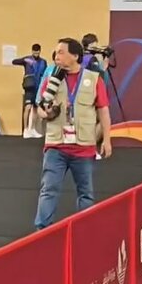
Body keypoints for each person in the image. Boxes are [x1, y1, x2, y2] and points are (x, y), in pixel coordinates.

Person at [34, 37, 112, 230]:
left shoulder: (94, 79)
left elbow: (103, 110)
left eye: (61, 52)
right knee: (48, 189)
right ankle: (41, 230)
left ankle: (85, 230)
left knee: (86, 193)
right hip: (55, 145)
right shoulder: (51, 78)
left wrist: (107, 139)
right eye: (56, 52)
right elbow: (40, 108)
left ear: (75, 56)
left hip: (84, 147)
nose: (56, 56)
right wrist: (46, 113)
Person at [12, 44, 46, 139]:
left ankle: (33, 129)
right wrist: (25, 60)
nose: (36, 54)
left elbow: (45, 74)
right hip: (29, 87)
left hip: (38, 87)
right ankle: (26, 129)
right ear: (32, 51)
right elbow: (14, 61)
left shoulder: (43, 62)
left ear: (40, 51)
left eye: (37, 52)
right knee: (28, 107)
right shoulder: (27, 59)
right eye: (34, 52)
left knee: (35, 108)